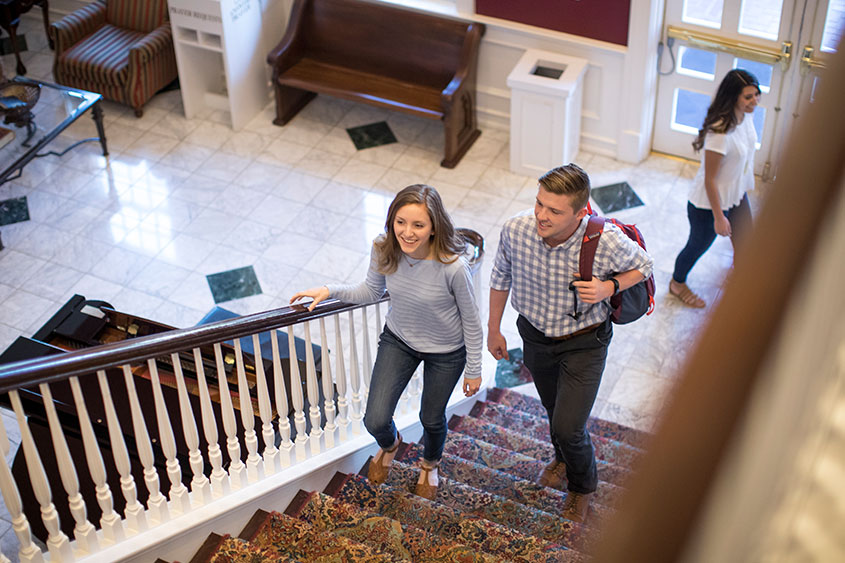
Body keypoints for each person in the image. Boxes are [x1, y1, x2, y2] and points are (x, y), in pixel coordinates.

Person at [290, 184, 482, 501]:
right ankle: (390, 444)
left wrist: (473, 369)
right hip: (399, 339)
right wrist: (329, 290)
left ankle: (430, 464)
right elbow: (370, 293)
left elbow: (472, 321)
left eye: (418, 225)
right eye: (400, 222)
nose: (407, 232)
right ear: (391, 221)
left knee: (431, 418)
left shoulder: (453, 267)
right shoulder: (384, 248)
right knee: (375, 418)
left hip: (447, 352)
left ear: (434, 227)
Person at [486, 163, 653, 522]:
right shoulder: (516, 228)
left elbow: (645, 264)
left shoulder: (605, 240)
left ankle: (582, 487)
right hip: (534, 335)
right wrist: (493, 328)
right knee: (552, 408)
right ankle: (561, 460)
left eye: (554, 210)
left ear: (580, 213)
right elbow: (500, 276)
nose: (541, 216)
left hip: (585, 343)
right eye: (539, 204)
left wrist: (609, 287)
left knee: (569, 425)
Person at [670, 68, 761, 308]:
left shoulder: (746, 116)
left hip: (736, 194)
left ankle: (740, 280)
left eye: (756, 95)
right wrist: (719, 217)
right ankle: (677, 283)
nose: (755, 101)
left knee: (746, 240)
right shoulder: (720, 132)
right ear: (733, 98)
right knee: (697, 246)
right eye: (748, 97)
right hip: (707, 205)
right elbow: (710, 179)